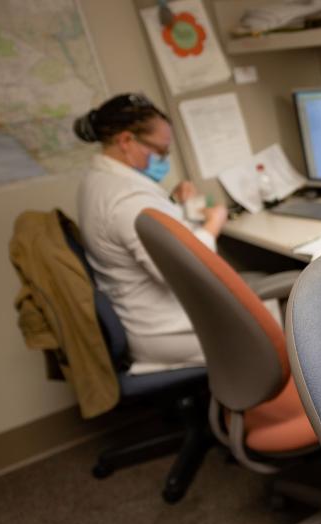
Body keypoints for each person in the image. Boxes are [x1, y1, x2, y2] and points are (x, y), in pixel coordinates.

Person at [73, 93, 228, 373]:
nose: (164, 159)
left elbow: (143, 232)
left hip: (145, 317)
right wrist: (213, 224)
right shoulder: (129, 201)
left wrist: (174, 206)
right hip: (167, 332)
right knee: (292, 326)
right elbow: (186, 273)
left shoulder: (99, 180)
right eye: (160, 151)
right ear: (126, 141)